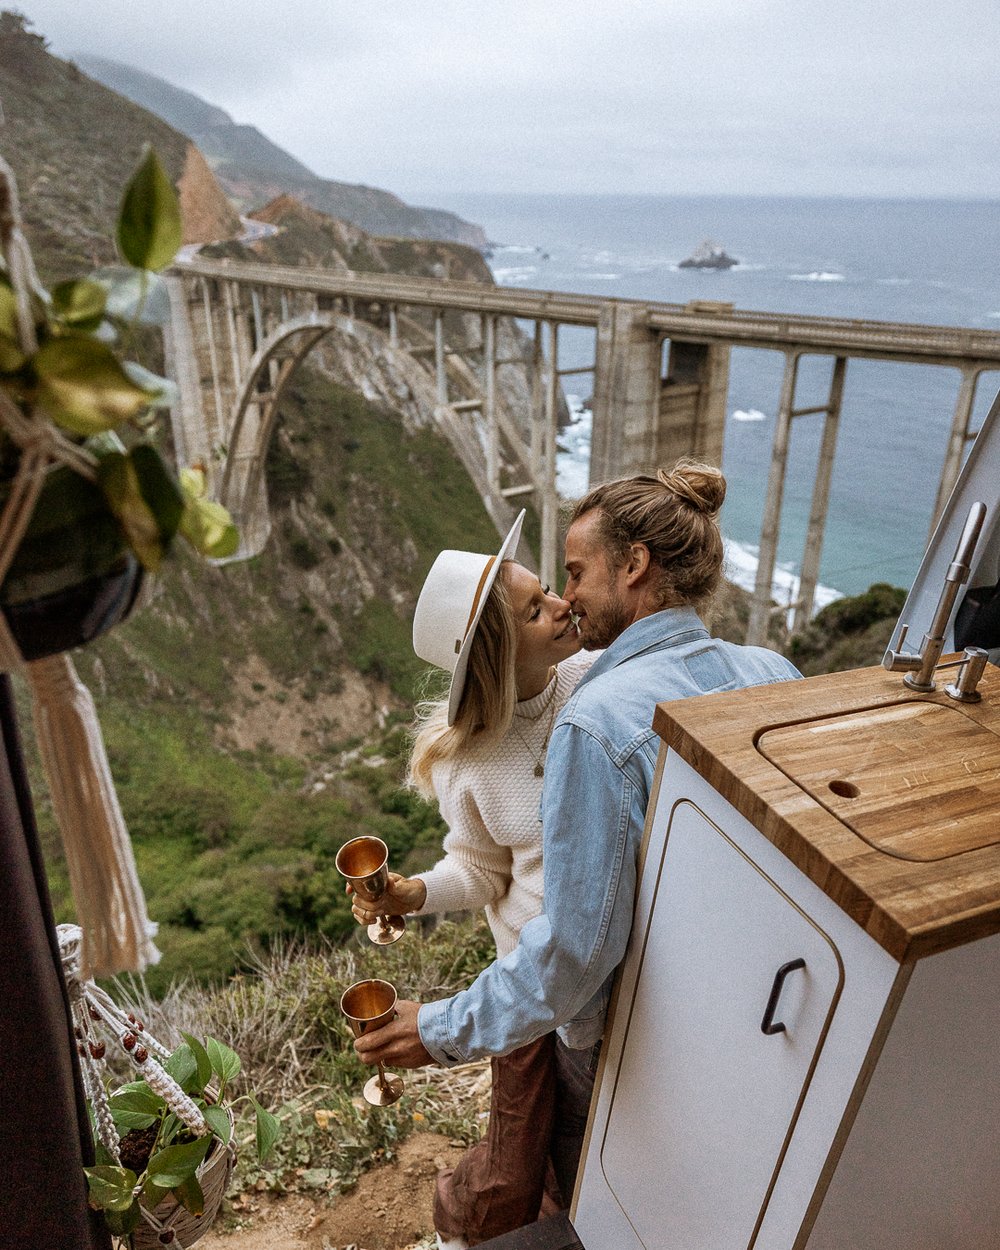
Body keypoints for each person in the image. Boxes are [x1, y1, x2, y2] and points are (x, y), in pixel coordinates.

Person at [354, 460, 802, 1204]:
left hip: (616, 1025)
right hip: (749, 1008)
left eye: (573, 573)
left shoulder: (593, 718)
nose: (567, 600)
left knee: (597, 1183)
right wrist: (418, 893)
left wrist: (437, 1029)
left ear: (633, 566)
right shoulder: (775, 671)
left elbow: (575, 954)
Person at [350, 508, 597, 1250]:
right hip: (527, 980)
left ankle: (566, 1223)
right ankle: (476, 1227)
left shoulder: (599, 680)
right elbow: (484, 870)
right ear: (497, 650)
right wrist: (412, 893)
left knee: (581, 1140)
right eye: (536, 608)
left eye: (552, 590)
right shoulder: (467, 759)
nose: (564, 606)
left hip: (600, 966)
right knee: (520, 1139)